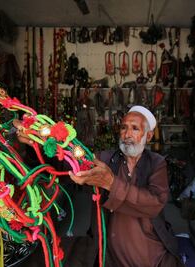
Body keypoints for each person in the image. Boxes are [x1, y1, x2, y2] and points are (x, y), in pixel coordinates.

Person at [14, 105, 183, 267]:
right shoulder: (105, 158)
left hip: (149, 251)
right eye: (124, 128)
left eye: (135, 128)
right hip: (112, 253)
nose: (127, 134)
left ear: (149, 136)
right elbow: (66, 165)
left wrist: (111, 183)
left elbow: (154, 203)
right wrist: (36, 145)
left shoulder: (156, 163)